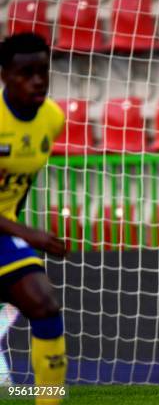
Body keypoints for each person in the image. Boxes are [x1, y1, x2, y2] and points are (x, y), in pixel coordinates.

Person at [0, 33, 67, 404]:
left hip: (3, 231)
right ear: (6, 75)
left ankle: (48, 400)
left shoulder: (51, 118)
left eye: (43, 71)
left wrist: (16, 229)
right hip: (11, 230)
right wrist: (32, 235)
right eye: (26, 73)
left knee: (43, 306)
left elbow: (19, 184)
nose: (38, 80)